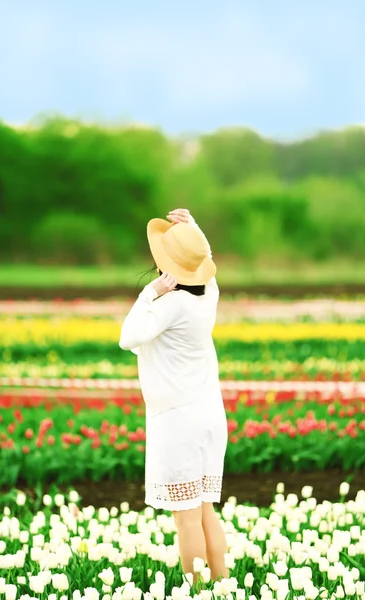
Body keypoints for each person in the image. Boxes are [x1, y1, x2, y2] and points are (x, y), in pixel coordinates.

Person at [119, 208, 228, 581]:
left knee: (186, 519)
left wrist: (152, 290)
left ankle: (195, 589)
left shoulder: (171, 304)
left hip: (178, 420)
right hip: (211, 414)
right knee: (204, 510)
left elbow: (127, 337)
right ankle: (221, 583)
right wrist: (195, 231)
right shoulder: (206, 297)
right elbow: (207, 264)